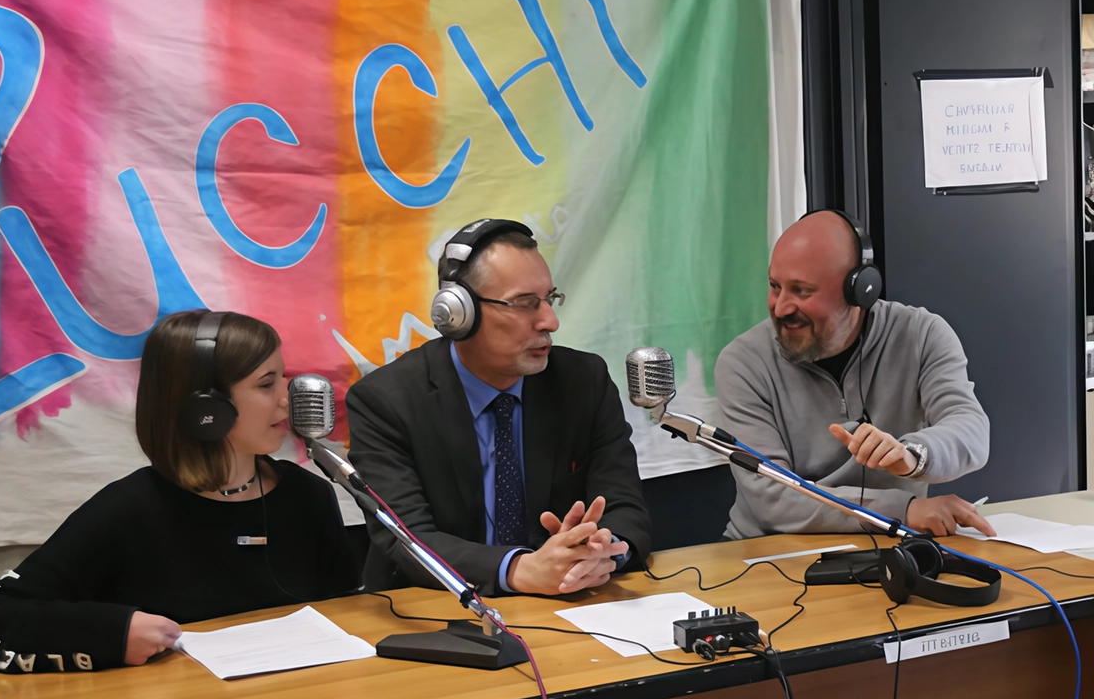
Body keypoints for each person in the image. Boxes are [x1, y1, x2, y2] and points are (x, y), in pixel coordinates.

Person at [0, 310, 359, 673]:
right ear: (206, 409)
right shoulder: (129, 510)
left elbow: (346, 616)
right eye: (267, 384)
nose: (287, 398)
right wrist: (113, 633)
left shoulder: (307, 495)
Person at [346, 218, 652, 597]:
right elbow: (406, 538)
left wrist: (602, 550)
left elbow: (625, 506)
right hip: (439, 609)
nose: (550, 321)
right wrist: (518, 569)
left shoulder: (582, 380)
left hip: (570, 598)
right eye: (525, 304)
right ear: (459, 315)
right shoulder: (386, 401)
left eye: (550, 299)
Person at [716, 210, 997, 539]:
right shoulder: (742, 363)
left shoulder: (922, 335)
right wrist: (901, 510)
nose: (781, 308)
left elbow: (971, 429)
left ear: (860, 291)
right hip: (771, 552)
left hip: (891, 544)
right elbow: (773, 496)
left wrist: (912, 454)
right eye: (775, 287)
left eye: (802, 291)